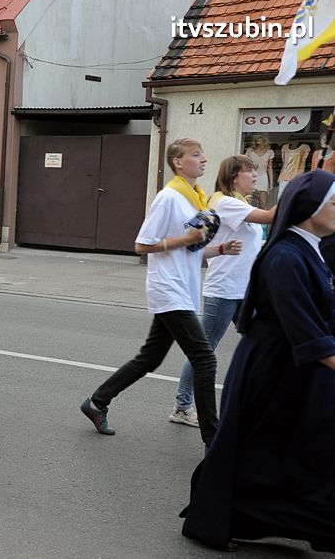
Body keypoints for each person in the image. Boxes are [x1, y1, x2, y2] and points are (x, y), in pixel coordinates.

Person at [181, 169, 335, 553]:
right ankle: (212, 520)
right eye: (333, 201)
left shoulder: (307, 247)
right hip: (270, 367)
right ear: (310, 208)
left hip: (290, 365)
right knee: (251, 444)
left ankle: (262, 517)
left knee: (277, 447)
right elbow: (305, 328)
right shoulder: (283, 254)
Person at [79, 139, 240, 448]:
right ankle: (214, 438)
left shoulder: (195, 199)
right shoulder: (168, 197)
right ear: (178, 162)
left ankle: (97, 402)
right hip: (168, 288)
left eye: (202, 153)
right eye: (196, 155)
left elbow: (191, 248)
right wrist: (186, 238)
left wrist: (220, 249)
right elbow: (142, 245)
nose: (204, 158)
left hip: (183, 287)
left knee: (150, 358)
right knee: (204, 358)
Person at [168, 155, 275, 428]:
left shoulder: (240, 203)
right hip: (224, 289)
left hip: (245, 290)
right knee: (204, 350)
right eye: (249, 172)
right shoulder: (225, 202)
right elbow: (270, 216)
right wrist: (301, 188)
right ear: (233, 177)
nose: (255, 176)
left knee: (261, 341)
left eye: (255, 171)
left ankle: (255, 400)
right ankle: (182, 406)